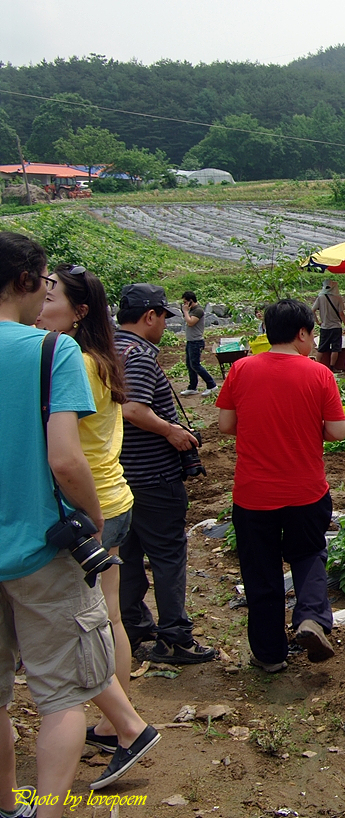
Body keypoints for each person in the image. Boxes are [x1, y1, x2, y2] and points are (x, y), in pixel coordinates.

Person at [0, 234, 159, 808]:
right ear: (25, 282)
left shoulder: (71, 353)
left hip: (32, 532)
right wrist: (91, 518)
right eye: (43, 285)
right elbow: (67, 459)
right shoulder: (52, 352)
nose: (45, 297)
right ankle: (52, 798)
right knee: (66, 685)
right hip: (50, 538)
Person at [35, 264, 150, 758]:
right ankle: (114, 722)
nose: (41, 306)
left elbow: (61, 453)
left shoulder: (72, 361)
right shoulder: (102, 358)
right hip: (114, 496)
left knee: (83, 622)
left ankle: (121, 722)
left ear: (78, 312)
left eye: (50, 297)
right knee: (110, 618)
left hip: (87, 505)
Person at [217, 299, 345, 672]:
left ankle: (270, 655)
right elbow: (337, 432)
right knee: (308, 555)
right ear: (303, 333)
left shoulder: (240, 369)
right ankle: (310, 619)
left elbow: (227, 425)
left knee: (261, 572)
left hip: (253, 494)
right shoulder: (318, 374)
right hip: (306, 490)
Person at [116, 283, 218, 665]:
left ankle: (133, 628)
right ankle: (174, 637)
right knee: (168, 556)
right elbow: (134, 410)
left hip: (120, 475)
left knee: (126, 555)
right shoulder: (138, 355)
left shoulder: (104, 349)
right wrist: (174, 432)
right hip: (153, 475)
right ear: (149, 317)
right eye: (162, 318)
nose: (163, 326)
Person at [179, 290, 218, 398]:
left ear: (191, 301)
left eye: (186, 302)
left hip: (196, 342)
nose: (184, 305)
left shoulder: (198, 311)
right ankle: (192, 387)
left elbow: (190, 322)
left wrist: (185, 311)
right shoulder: (192, 310)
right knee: (190, 365)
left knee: (195, 365)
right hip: (190, 341)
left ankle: (211, 385)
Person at [312, 279, 345, 373]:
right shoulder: (338, 298)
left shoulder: (320, 297)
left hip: (324, 327)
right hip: (336, 327)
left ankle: (316, 366)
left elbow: (312, 310)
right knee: (335, 348)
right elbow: (341, 314)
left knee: (321, 348)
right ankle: (332, 367)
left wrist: (318, 322)